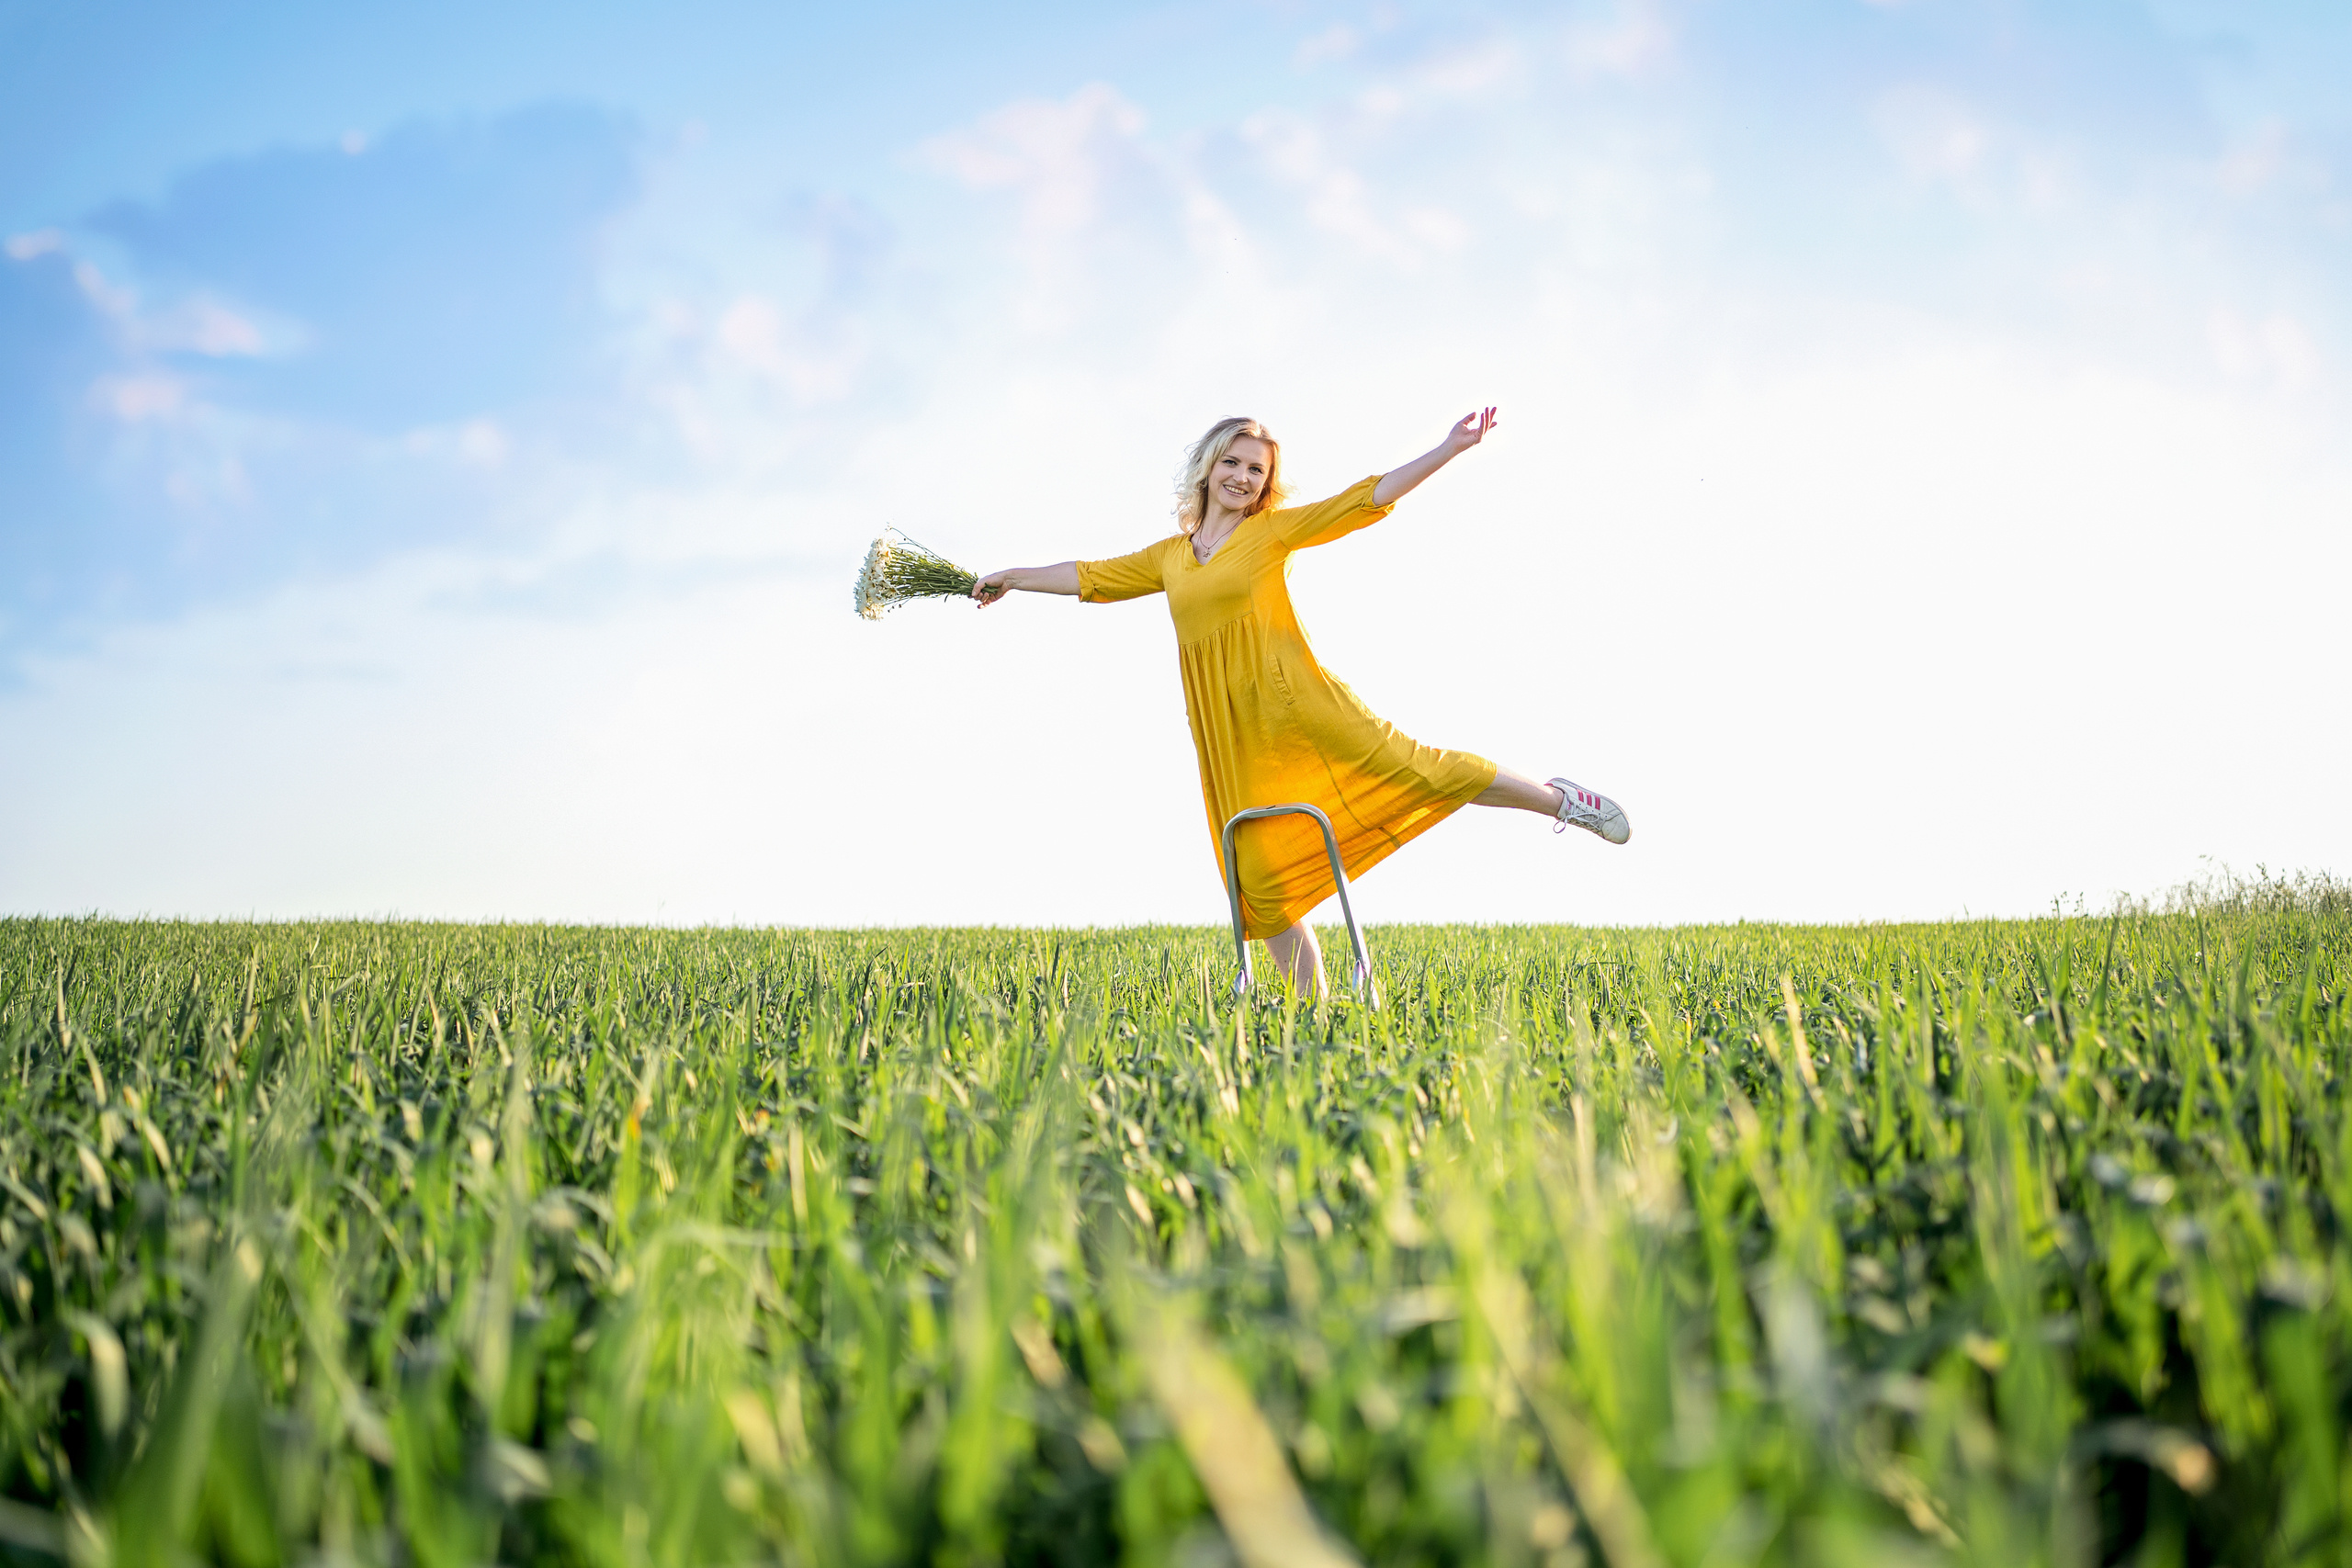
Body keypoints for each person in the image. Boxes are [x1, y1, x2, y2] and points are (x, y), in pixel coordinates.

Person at [972, 410, 1629, 996]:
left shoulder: (1271, 535)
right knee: (1258, 881)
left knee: (1426, 771)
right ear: (1206, 468)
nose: (1241, 476)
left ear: (1265, 485)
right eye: (1231, 461)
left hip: (1302, 707)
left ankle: (1563, 800)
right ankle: (1314, 1018)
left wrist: (1448, 448)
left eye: (1255, 470)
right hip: (1232, 730)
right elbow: (1091, 577)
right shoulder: (1170, 557)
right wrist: (1012, 577)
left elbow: (1361, 500)